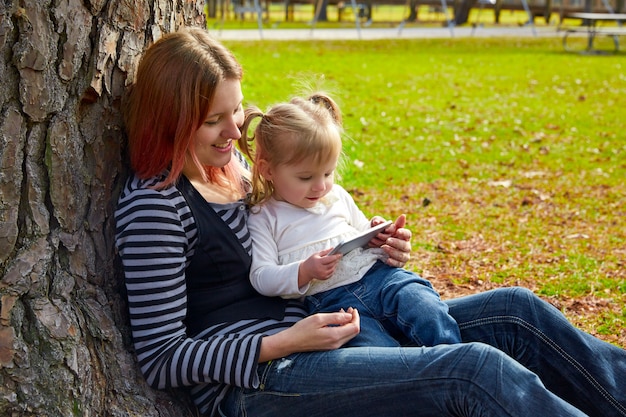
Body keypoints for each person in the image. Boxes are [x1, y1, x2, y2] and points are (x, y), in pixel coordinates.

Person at [115, 27, 626, 417]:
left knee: (516, 312)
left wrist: (373, 248)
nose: (236, 131)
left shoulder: (241, 170)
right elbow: (162, 356)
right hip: (262, 377)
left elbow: (304, 233)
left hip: (335, 318)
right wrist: (285, 342)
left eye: (236, 110)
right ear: (172, 119)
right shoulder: (154, 207)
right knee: (473, 369)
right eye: (213, 120)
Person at [239, 92, 461, 348]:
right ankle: (417, 377)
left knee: (423, 305)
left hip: (381, 278)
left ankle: (453, 357)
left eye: (328, 173)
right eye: (305, 178)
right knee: (376, 351)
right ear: (268, 170)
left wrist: (376, 232)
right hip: (332, 304)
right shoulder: (264, 216)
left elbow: (361, 232)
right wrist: (304, 271)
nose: (320, 186)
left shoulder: (337, 197)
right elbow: (262, 276)